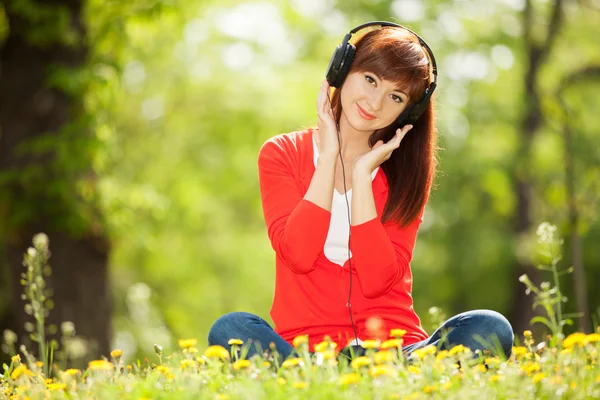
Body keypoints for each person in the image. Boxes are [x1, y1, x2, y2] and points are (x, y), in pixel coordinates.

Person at [208, 22, 514, 362]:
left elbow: (376, 281)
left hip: (395, 348)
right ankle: (338, 376)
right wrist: (328, 159)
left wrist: (362, 174)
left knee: (490, 327)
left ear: (407, 112)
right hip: (309, 350)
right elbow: (298, 254)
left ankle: (370, 373)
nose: (375, 102)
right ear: (342, 70)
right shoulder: (282, 154)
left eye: (395, 97)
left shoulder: (405, 175)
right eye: (370, 80)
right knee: (230, 330)